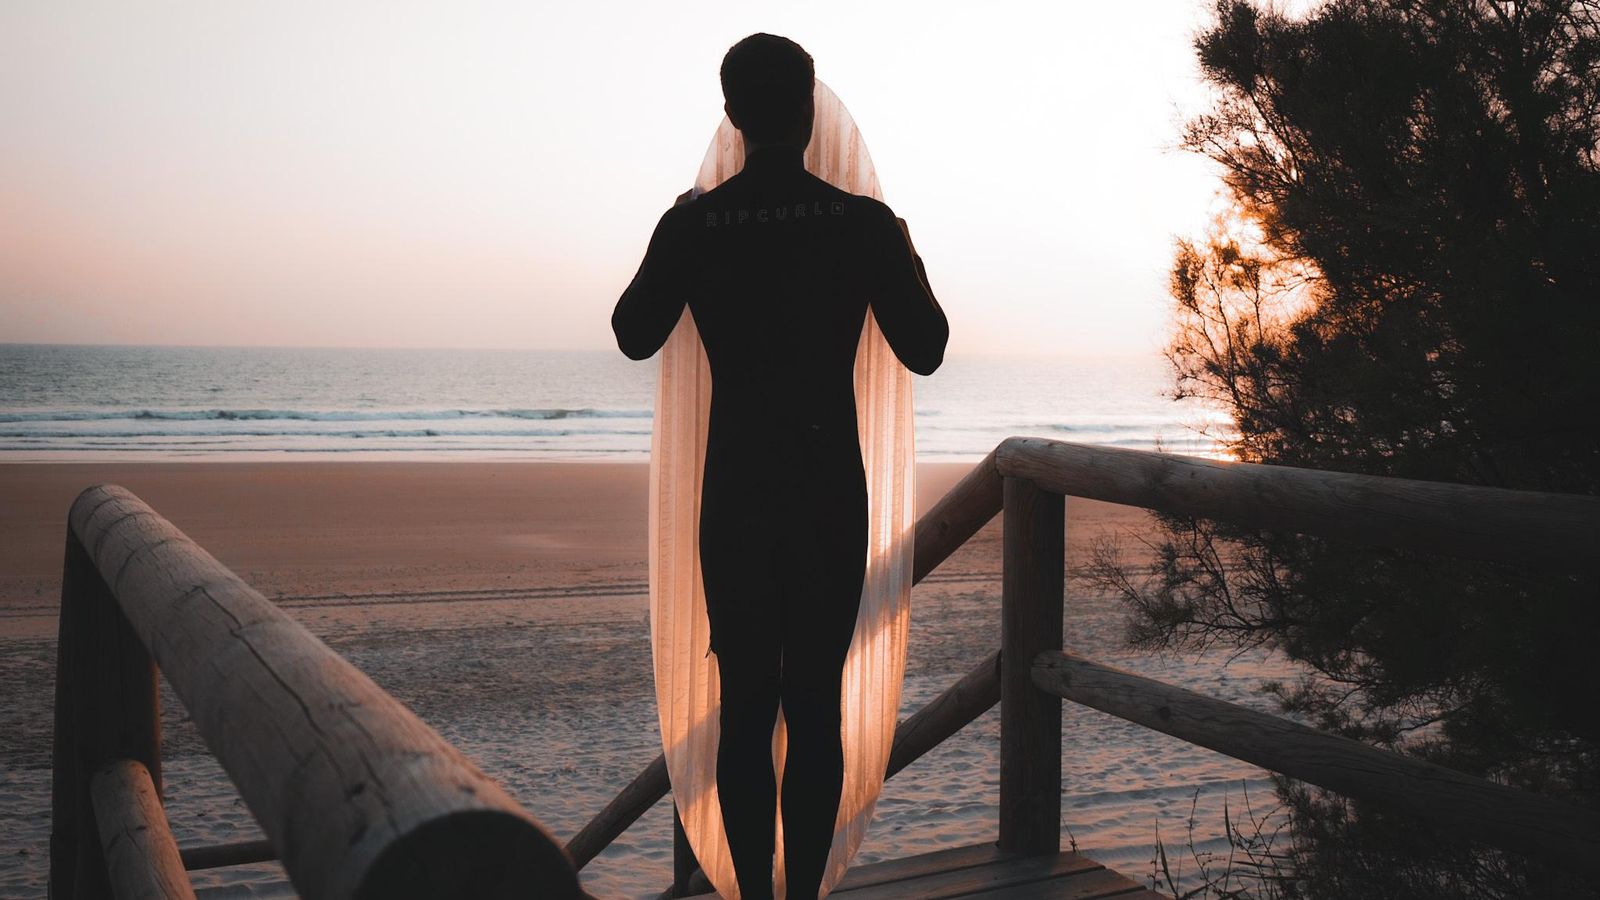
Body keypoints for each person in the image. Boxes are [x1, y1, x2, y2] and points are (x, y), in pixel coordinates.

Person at [611, 33, 948, 900]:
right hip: (828, 493)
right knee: (815, 705)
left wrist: (672, 226)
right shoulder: (861, 225)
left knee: (747, 705)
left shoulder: (696, 225)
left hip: (737, 497)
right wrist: (906, 253)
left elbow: (632, 331)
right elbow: (927, 347)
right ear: (807, 110)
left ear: (731, 115)